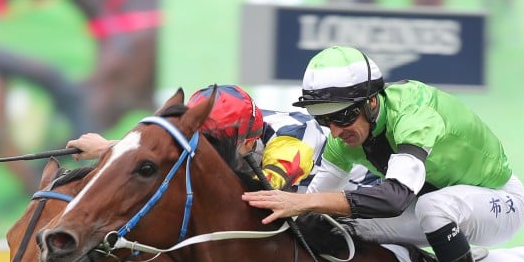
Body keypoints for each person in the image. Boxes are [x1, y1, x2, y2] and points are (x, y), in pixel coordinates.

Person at [241, 45, 524, 262]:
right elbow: (317, 204)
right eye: (323, 119)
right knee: (335, 227)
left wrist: (302, 203)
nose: (334, 130)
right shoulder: (343, 138)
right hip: (433, 205)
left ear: (372, 101)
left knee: (432, 208)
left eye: (343, 116)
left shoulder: (414, 114)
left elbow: (393, 199)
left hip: (498, 201)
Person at [67, 84, 330, 192]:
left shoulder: (295, 139)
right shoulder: (241, 134)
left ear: (249, 143)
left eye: (213, 146)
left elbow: (262, 193)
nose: (203, 152)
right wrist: (107, 148)